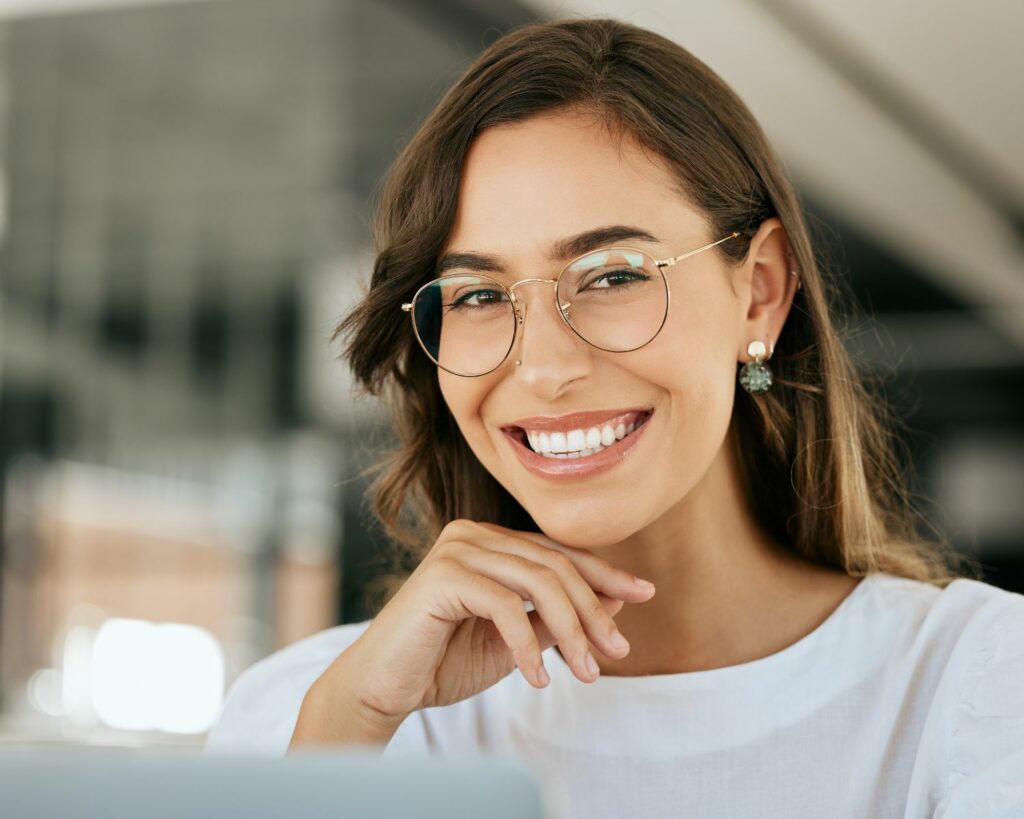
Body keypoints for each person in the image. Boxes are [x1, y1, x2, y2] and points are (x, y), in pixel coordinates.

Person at [205, 17, 1024, 818]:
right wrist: (345, 732)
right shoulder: (324, 710)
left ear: (761, 290)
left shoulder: (976, 688)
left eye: (611, 276)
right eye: (481, 295)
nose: (544, 368)